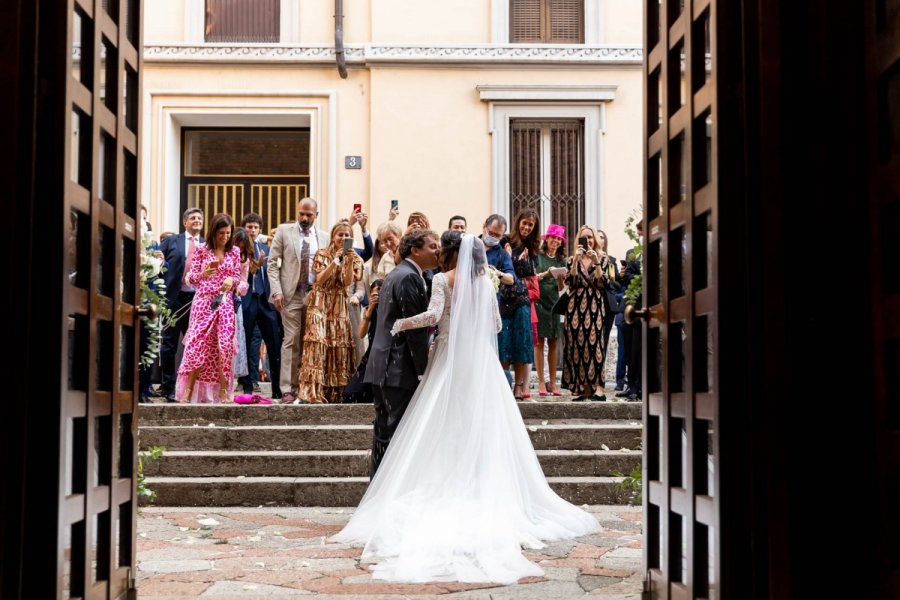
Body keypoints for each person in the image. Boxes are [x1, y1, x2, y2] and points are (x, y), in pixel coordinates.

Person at [331, 233, 599, 584]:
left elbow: (431, 315)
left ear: (454, 254)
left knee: (440, 422)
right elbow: (498, 326)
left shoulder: (443, 279)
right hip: (481, 363)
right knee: (481, 422)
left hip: (448, 359)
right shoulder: (486, 284)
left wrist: (401, 323)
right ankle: (478, 483)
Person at [363, 228, 440, 475]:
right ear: (415, 250)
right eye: (432, 246)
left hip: (383, 365)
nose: (438, 249)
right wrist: (422, 370)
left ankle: (377, 488)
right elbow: (415, 329)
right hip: (397, 366)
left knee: (383, 434)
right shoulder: (409, 277)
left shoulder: (397, 273)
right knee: (397, 434)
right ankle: (387, 490)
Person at [267, 197, 330, 404]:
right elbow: (273, 264)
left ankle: (306, 387)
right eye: (301, 213)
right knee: (291, 339)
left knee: (310, 341)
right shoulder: (285, 232)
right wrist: (276, 292)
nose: (304, 218)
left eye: (308, 214)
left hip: (315, 296)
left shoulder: (323, 237)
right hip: (291, 295)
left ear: (316, 215)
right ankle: (287, 388)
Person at [175, 213, 243, 403]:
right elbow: (190, 278)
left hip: (225, 303)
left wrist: (232, 280)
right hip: (203, 302)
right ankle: (188, 390)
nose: (225, 237)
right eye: (221, 233)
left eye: (228, 233)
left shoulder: (235, 251)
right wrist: (204, 273)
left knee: (224, 346)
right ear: (213, 232)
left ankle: (223, 390)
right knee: (197, 345)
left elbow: (237, 276)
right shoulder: (201, 250)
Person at [297, 220, 364, 404]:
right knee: (317, 344)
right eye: (340, 234)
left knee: (337, 347)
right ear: (333, 236)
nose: (343, 238)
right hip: (320, 302)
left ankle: (334, 393)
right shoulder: (322, 254)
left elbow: (347, 282)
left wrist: (348, 261)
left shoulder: (355, 257)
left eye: (347, 235)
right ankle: (311, 393)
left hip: (339, 305)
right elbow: (319, 279)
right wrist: (336, 260)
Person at [158, 207, 204, 402]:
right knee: (169, 344)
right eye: (192, 218)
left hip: (197, 300)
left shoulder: (207, 244)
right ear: (184, 222)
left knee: (194, 345)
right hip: (174, 299)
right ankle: (168, 387)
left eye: (199, 218)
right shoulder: (171, 242)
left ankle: (188, 388)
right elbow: (157, 265)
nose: (196, 221)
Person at [561, 225, 610, 402]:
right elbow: (570, 282)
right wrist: (575, 262)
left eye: (590, 237)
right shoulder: (572, 259)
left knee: (595, 345)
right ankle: (584, 388)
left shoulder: (603, 259)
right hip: (575, 305)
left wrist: (596, 261)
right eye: (584, 237)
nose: (588, 240)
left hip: (595, 305)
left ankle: (599, 388)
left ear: (595, 239)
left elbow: (602, 283)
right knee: (576, 345)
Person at [237, 213, 282, 399]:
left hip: (266, 301)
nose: (252, 230)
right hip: (247, 300)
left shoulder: (267, 248)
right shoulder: (239, 249)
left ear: (260, 230)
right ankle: (247, 385)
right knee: (246, 343)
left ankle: (277, 387)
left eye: (255, 227)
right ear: (244, 229)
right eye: (249, 227)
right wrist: (255, 265)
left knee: (274, 343)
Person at [534, 224, 567, 396]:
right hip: (539, 302)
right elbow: (533, 279)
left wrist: (560, 278)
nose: (555, 241)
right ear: (546, 239)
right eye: (553, 237)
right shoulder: (537, 257)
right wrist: (547, 273)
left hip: (555, 303)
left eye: (559, 239)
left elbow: (562, 288)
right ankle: (541, 382)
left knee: (554, 342)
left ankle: (553, 383)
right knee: (539, 342)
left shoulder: (562, 260)